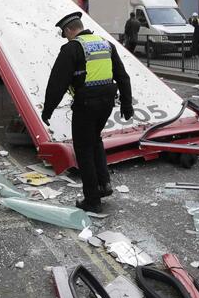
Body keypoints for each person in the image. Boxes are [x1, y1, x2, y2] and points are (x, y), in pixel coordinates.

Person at [42, 12, 133, 212]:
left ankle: (92, 200)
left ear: (68, 30)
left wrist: (47, 110)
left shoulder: (72, 48)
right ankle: (104, 185)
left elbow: (57, 83)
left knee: (83, 149)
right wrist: (127, 104)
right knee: (95, 141)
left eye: (64, 34)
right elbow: (122, 76)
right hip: (107, 102)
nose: (65, 37)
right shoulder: (106, 44)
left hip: (86, 104)